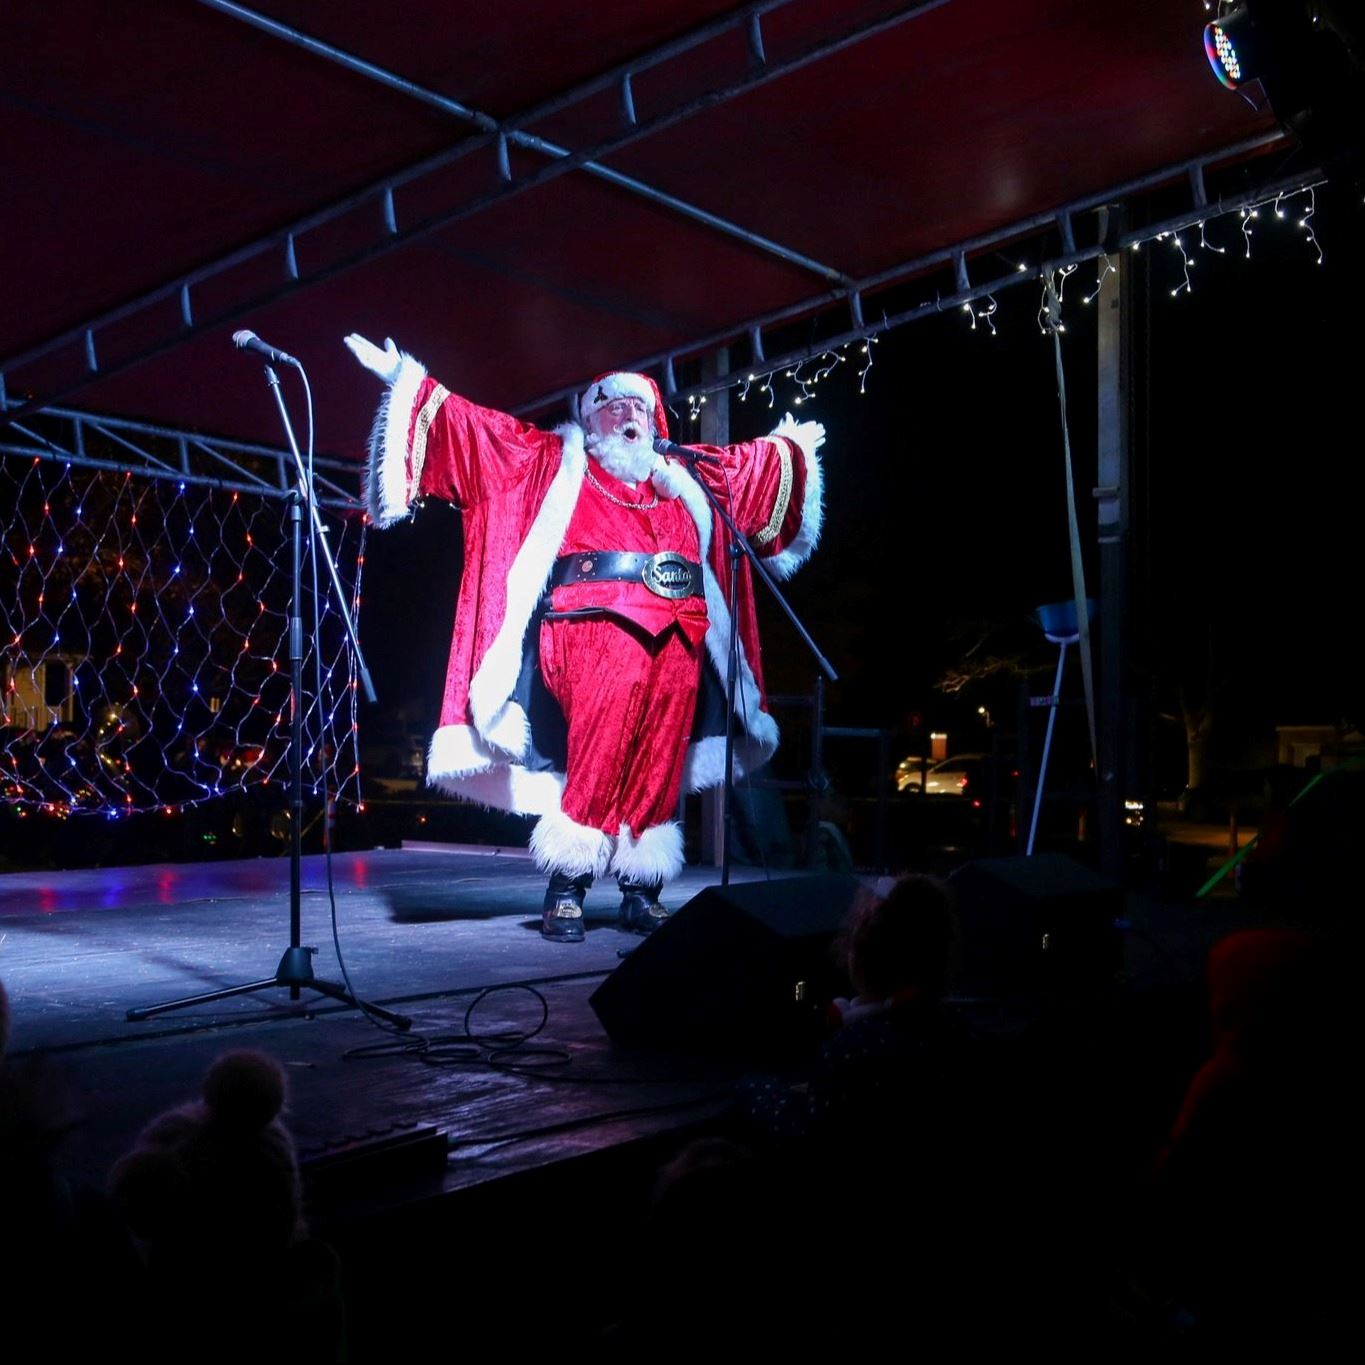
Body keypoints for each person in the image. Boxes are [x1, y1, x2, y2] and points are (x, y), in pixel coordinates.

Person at [345, 334, 825, 940]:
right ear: (589, 419)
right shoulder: (555, 462)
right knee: (600, 747)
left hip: (678, 633)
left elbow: (747, 472)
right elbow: (478, 435)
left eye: (637, 409)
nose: (626, 418)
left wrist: (790, 446)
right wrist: (409, 379)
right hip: (588, 634)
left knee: (660, 755)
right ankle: (568, 884)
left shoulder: (684, 476)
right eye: (611, 407)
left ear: (656, 419)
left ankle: (641, 887)